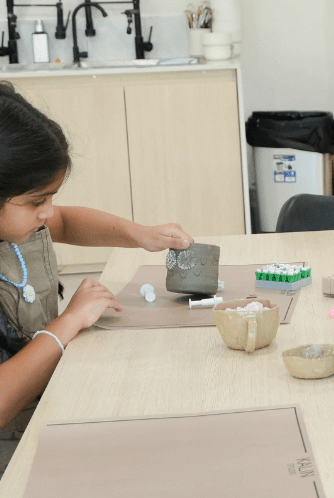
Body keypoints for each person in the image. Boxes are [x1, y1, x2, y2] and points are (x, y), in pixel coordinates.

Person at [0, 81, 193, 469]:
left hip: (46, 403)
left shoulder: (17, 222)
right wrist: (67, 323)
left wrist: (140, 234)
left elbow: (67, 222)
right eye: (38, 201)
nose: (47, 212)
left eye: (51, 196)